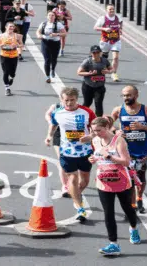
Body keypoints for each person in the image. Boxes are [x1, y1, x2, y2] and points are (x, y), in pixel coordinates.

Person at [88, 116, 140, 256]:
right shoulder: (95, 140)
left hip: (121, 181)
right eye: (94, 130)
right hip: (104, 181)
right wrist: (92, 158)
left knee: (127, 209)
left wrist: (109, 157)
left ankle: (133, 228)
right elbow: (97, 156)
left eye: (99, 130)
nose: (96, 133)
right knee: (108, 213)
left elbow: (126, 162)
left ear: (106, 127)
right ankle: (113, 244)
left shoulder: (119, 140)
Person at [46, 87, 96, 223]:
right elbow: (53, 125)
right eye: (66, 100)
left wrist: (90, 136)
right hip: (67, 152)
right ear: (62, 100)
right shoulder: (58, 113)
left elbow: (96, 129)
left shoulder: (87, 112)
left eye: (72, 100)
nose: (69, 103)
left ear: (77, 99)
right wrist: (49, 136)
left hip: (85, 152)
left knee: (84, 181)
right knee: (73, 179)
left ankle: (76, 195)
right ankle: (80, 207)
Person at [109, 85, 147, 213]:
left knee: (141, 177)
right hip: (125, 151)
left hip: (143, 151)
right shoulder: (118, 110)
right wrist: (116, 131)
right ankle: (132, 205)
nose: (126, 98)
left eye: (129, 95)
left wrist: (143, 127)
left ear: (136, 95)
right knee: (129, 178)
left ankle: (139, 197)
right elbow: (108, 126)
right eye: (124, 95)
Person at [77, 45, 112, 117]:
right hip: (88, 86)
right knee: (87, 103)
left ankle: (99, 121)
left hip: (100, 86)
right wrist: (89, 73)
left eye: (98, 52)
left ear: (100, 53)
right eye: (94, 53)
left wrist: (107, 71)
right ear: (91, 53)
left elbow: (112, 69)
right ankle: (82, 117)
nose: (96, 54)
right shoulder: (87, 61)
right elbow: (79, 72)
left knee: (98, 103)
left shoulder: (105, 61)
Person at [0, 22, 23, 96]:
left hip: (14, 56)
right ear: (6, 27)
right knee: (5, 72)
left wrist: (17, 45)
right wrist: (0, 45)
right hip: (4, 55)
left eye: (12, 27)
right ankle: (7, 88)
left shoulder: (17, 36)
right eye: (10, 26)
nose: (11, 28)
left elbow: (22, 45)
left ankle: (12, 77)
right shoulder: (1, 35)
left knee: (12, 73)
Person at [94, 4, 122, 81]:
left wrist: (120, 29)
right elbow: (95, 27)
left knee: (115, 57)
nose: (112, 11)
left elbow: (120, 23)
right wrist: (104, 29)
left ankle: (114, 73)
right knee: (104, 57)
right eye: (110, 9)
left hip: (116, 40)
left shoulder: (118, 17)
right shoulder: (102, 18)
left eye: (113, 9)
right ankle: (101, 72)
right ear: (106, 10)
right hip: (105, 41)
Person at [37, 10, 66, 84]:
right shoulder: (43, 24)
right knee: (47, 60)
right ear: (47, 16)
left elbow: (64, 33)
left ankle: (53, 69)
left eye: (52, 15)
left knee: (54, 58)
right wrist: (39, 35)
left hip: (55, 43)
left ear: (55, 17)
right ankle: (47, 76)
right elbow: (38, 31)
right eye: (49, 15)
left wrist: (56, 34)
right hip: (45, 42)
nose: (51, 17)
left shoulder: (58, 24)